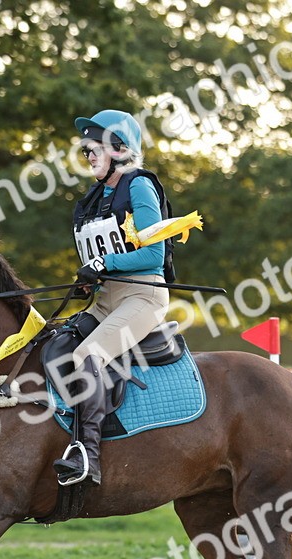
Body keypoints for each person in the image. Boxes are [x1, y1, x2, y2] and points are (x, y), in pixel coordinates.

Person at [52, 109, 172, 487]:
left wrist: (105, 263)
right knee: (55, 342)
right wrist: (89, 279)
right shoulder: (94, 197)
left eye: (94, 149)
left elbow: (154, 254)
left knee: (88, 355)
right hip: (105, 299)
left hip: (143, 295)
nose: (88, 156)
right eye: (85, 150)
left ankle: (87, 455)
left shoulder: (139, 186)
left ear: (119, 149)